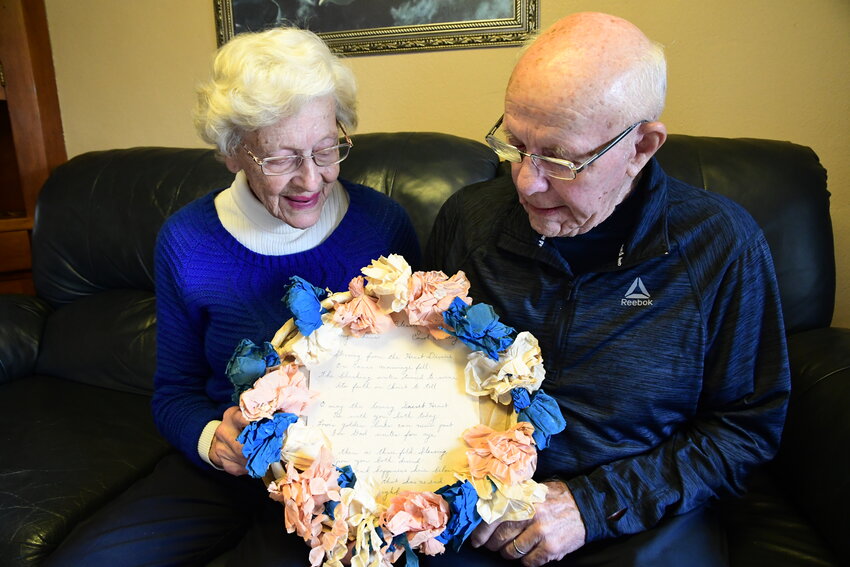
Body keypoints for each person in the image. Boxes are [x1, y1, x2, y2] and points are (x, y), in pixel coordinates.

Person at [424, 12, 790, 567]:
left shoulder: (720, 246)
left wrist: (591, 507)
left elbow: (747, 427)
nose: (527, 181)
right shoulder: (470, 221)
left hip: (634, 517)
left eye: (560, 158)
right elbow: (418, 367)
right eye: (517, 144)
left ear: (641, 146)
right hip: (476, 513)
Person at [45, 27, 419, 566]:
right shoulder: (187, 240)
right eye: (282, 158)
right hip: (232, 470)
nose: (311, 179)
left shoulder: (383, 225)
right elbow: (172, 391)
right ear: (232, 152)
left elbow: (421, 364)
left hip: (347, 478)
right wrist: (210, 440)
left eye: (325, 149)